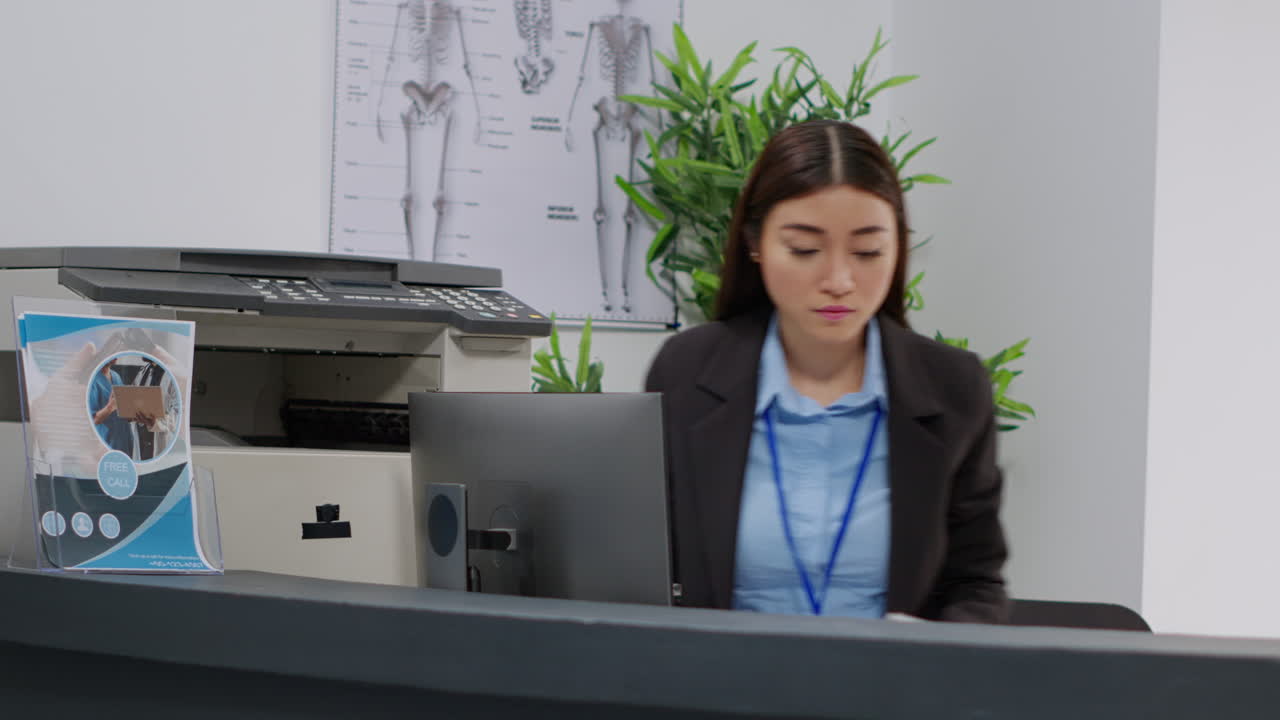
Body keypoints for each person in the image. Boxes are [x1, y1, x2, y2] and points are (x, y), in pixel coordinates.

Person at [645, 120, 1008, 623]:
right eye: (804, 250)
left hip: (888, 695)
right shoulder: (686, 372)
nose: (839, 281)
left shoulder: (953, 389)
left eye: (867, 252)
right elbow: (645, 573)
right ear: (755, 243)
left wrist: (935, 648)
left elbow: (977, 581)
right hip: (722, 691)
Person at [88, 358, 135, 456]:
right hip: (108, 442)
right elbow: (93, 420)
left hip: (125, 440)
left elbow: (122, 408)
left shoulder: (116, 376)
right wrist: (109, 407)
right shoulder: (93, 381)